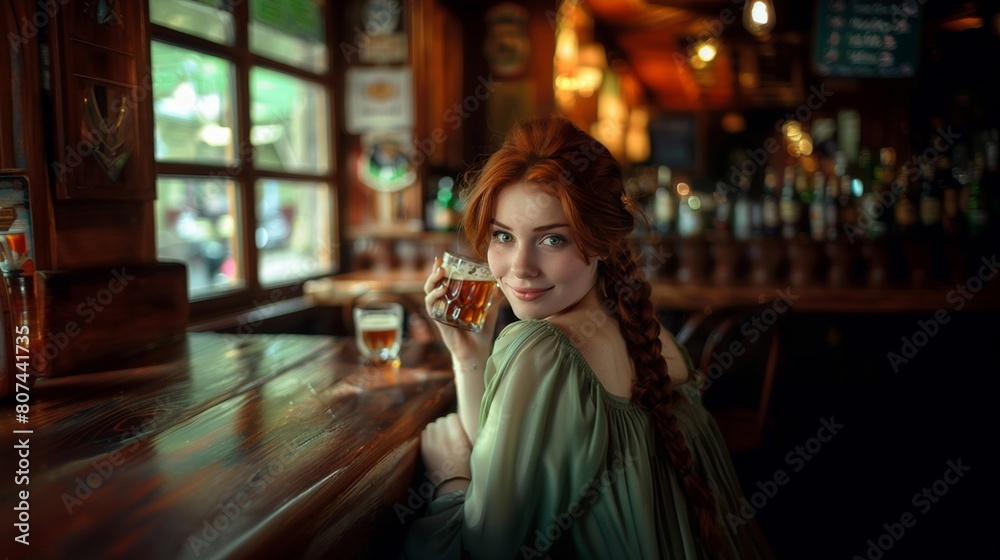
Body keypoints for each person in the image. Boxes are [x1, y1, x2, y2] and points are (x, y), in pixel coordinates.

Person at [402, 117, 773, 559]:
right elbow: (519, 457)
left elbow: (484, 548)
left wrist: (452, 477)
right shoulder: (649, 335)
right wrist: (468, 354)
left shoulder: (542, 346)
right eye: (503, 235)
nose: (520, 266)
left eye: (552, 240)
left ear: (600, 241)